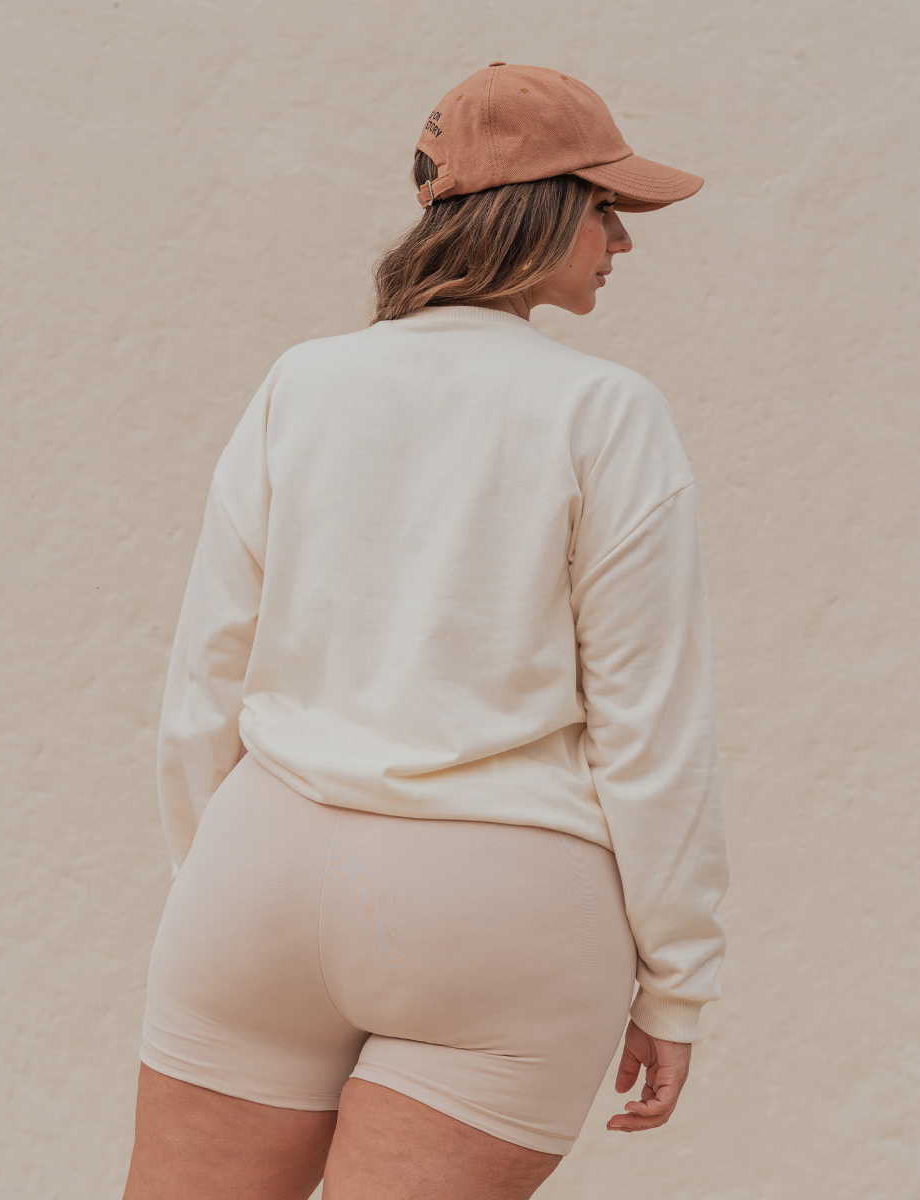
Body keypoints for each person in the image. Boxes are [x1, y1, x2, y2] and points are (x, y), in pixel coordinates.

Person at [123, 60, 730, 1200]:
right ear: (539, 208)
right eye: (605, 207)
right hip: (499, 899)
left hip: (260, 869)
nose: (622, 240)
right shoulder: (605, 410)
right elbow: (650, 728)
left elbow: (207, 670)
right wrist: (677, 983)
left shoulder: (302, 382)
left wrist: (217, 884)